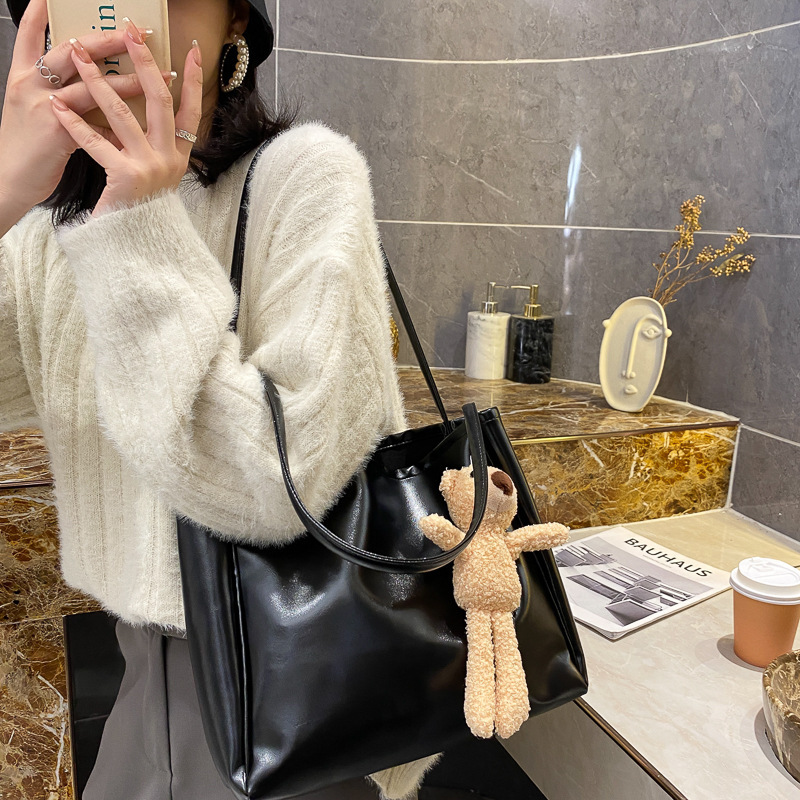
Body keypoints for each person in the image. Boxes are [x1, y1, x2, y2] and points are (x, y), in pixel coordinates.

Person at [0, 0, 442, 796]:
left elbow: (278, 485)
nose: (126, 24)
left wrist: (135, 225)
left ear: (237, 18)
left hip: (301, 695)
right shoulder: (46, 236)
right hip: (140, 693)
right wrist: (3, 192)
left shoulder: (304, 175)